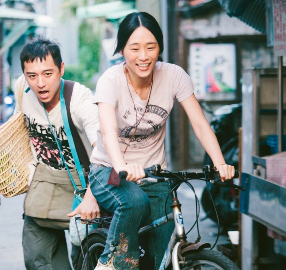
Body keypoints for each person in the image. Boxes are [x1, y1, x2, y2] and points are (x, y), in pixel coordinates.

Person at [88, 12, 236, 270]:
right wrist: (122, 166)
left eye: (151, 47)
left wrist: (220, 163)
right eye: (134, 48)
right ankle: (110, 263)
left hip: (156, 174)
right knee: (133, 201)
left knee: (160, 257)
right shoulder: (110, 81)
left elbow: (200, 124)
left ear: (160, 47)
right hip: (109, 171)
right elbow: (109, 131)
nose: (143, 56)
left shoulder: (174, 76)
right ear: (122, 49)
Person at [0, 38, 100, 270]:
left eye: (48, 74)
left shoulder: (79, 98)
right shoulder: (22, 89)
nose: (40, 83)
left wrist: (93, 194)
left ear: (61, 69)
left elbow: (102, 145)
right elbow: (19, 125)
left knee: (89, 261)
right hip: (45, 185)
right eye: (32, 75)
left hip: (86, 187)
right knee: (39, 260)